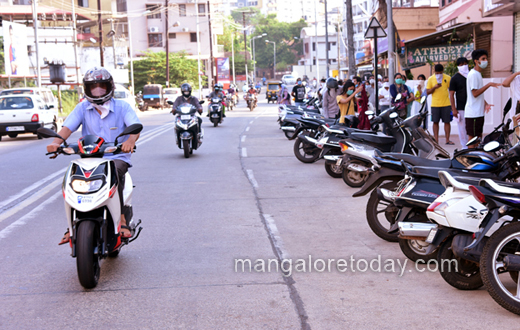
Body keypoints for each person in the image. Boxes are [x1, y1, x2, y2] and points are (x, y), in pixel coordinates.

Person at [47, 67, 141, 243]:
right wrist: (56, 143)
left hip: (116, 157)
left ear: (109, 87)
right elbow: (67, 128)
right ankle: (71, 225)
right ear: (87, 89)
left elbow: (135, 127)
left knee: (114, 173)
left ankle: (121, 219)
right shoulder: (82, 107)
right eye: (93, 87)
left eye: (102, 86)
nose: (98, 91)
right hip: (90, 158)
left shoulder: (122, 107)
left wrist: (130, 142)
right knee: (71, 178)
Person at [465, 49, 501, 148]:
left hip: (478, 113)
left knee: (478, 138)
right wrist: (489, 84)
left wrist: (485, 103)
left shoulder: (477, 74)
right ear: (476, 61)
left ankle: (477, 158)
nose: (486, 61)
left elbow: (477, 94)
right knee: (473, 139)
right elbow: (475, 93)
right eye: (483, 59)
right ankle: (470, 160)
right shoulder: (473, 75)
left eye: (486, 58)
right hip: (473, 114)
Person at [427, 64, 452, 144]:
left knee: (447, 122)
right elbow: (427, 92)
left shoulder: (447, 78)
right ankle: (436, 140)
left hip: (446, 103)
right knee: (435, 122)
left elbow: (451, 89)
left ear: (442, 71)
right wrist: (434, 87)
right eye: (437, 73)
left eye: (440, 73)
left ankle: (447, 140)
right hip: (435, 104)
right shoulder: (431, 79)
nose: (438, 74)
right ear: (434, 71)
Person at [449, 57, 470, 149]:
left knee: (470, 128)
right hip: (461, 107)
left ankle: (472, 146)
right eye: (461, 65)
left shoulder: (471, 76)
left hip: (472, 106)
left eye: (465, 64)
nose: (464, 66)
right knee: (462, 129)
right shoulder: (455, 78)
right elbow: (451, 94)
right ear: (458, 66)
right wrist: (454, 109)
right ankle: (464, 147)